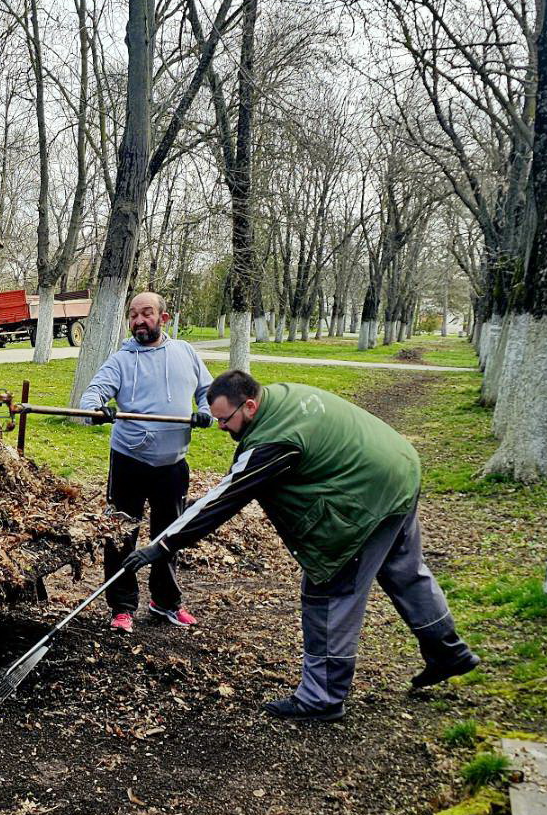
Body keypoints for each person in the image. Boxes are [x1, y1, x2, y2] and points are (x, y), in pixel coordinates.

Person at [119, 369, 480, 721]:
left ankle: (321, 698)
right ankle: (448, 652)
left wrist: (162, 545)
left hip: (365, 496)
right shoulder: (279, 396)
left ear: (249, 407)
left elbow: (224, 497)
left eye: (225, 420)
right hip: (398, 470)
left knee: (328, 593)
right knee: (405, 571)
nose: (222, 428)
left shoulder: (273, 440)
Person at [77, 291, 213, 633]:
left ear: (163, 318)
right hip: (129, 462)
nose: (139, 321)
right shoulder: (121, 360)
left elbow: (207, 391)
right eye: (134, 315)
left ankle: (165, 602)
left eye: (147, 313)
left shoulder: (185, 353)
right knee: (121, 534)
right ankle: (122, 607)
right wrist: (97, 409)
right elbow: (93, 393)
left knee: (169, 535)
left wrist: (207, 411)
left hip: (173, 465)